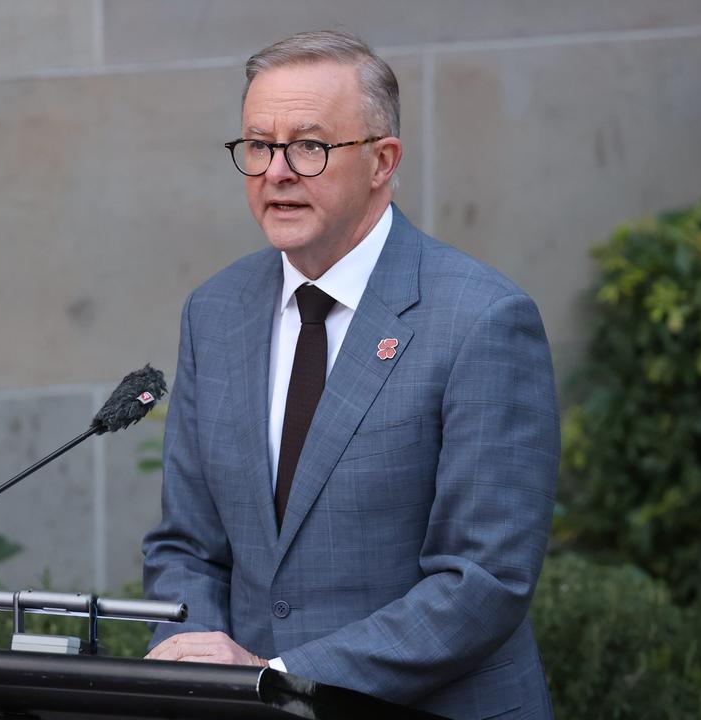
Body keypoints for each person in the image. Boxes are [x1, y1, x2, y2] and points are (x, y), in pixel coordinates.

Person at [142, 30, 559, 720]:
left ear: (381, 162)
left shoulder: (482, 320)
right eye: (258, 145)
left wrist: (281, 680)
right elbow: (187, 544)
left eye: (309, 146)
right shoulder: (215, 312)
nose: (276, 171)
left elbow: (481, 581)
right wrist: (193, 645)